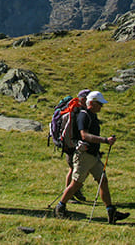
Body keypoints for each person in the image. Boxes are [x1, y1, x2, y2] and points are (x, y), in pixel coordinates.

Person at [54, 91, 129, 223]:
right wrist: (105, 140)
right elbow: (84, 135)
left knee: (103, 180)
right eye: (99, 104)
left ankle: (111, 211)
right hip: (84, 156)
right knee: (76, 183)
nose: (101, 106)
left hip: (92, 156)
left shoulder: (91, 116)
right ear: (92, 103)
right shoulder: (84, 116)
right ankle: (60, 207)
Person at [63, 89, 91, 202]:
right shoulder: (77, 111)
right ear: (83, 99)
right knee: (73, 169)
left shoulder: (78, 110)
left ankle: (74, 191)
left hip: (71, 145)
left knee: (77, 170)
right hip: (72, 145)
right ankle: (68, 195)